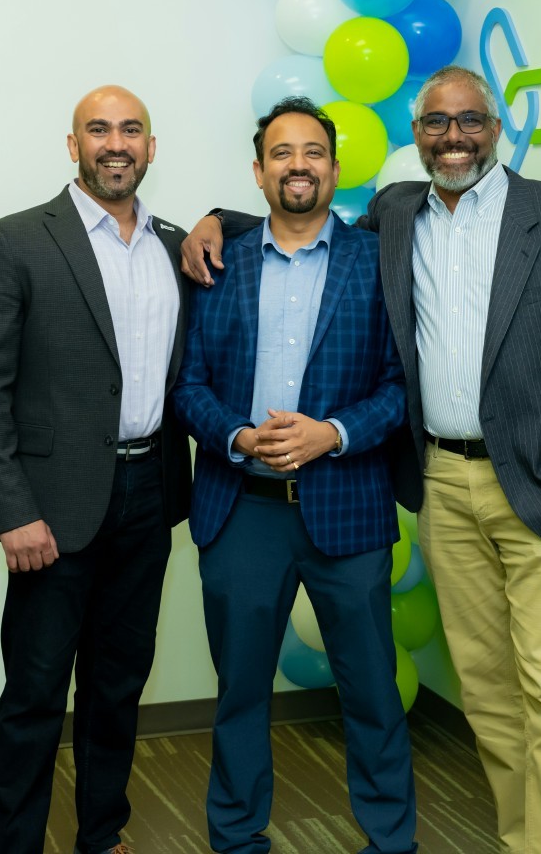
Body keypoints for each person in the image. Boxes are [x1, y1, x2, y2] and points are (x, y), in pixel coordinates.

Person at [182, 66, 541, 854]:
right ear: (417, 135)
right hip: (441, 481)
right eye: (436, 123)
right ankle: (521, 841)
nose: (454, 136)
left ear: (496, 126)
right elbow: (292, 211)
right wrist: (209, 218)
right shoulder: (398, 215)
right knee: (488, 690)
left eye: (470, 120)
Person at [0, 85, 192, 854]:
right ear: (72, 144)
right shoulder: (15, 240)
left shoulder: (178, 244)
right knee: (34, 693)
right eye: (99, 129)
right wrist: (11, 509)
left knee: (118, 687)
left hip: (150, 494)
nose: (114, 143)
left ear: (152, 148)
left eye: (131, 130)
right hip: (51, 509)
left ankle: (102, 834)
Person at [174, 97, 417, 854]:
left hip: (347, 509)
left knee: (373, 694)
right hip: (240, 511)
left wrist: (333, 434)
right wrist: (238, 434)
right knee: (240, 693)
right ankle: (238, 839)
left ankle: (390, 840)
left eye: (313, 152)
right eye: (282, 153)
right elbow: (187, 386)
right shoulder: (215, 264)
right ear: (258, 171)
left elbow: (402, 383)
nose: (298, 165)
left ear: (335, 169)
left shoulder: (378, 262)